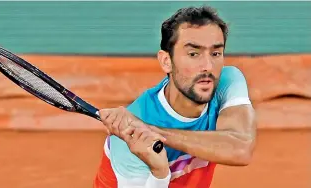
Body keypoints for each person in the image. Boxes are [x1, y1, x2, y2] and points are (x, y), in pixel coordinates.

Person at [94, 6, 256, 188]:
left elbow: (241, 149)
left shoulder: (227, 81)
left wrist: (153, 132)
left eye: (215, 53)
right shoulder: (126, 140)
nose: (208, 66)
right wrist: (160, 173)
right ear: (166, 61)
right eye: (193, 54)